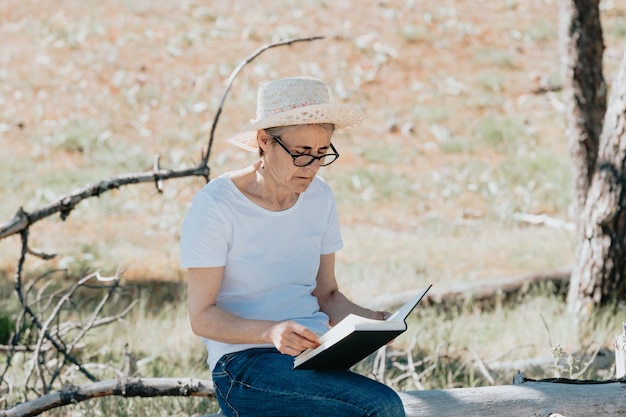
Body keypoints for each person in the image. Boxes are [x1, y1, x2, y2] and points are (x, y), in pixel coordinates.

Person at [180, 76, 405, 417]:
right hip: (243, 365)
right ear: (264, 141)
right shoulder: (217, 204)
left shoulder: (320, 197)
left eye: (321, 154)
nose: (312, 167)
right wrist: (270, 332)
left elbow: (327, 295)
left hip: (315, 356)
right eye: (300, 154)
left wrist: (373, 322)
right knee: (380, 405)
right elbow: (202, 317)